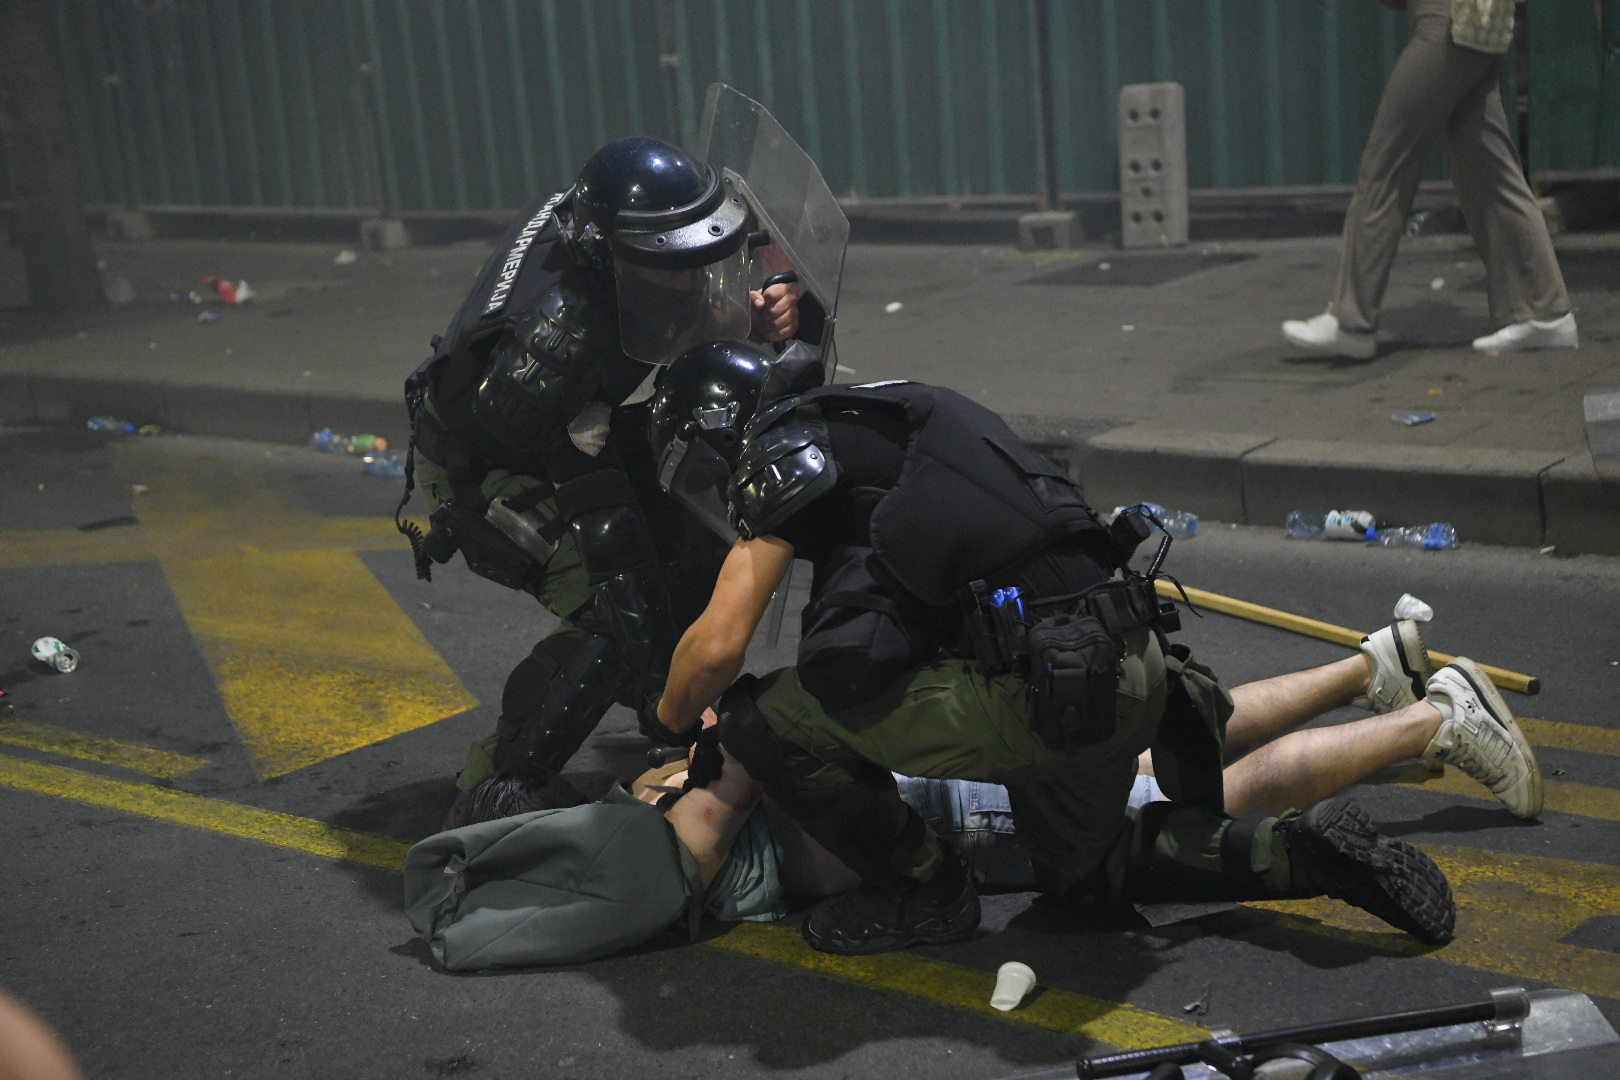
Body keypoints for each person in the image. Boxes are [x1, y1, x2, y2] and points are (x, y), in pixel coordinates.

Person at [642, 341, 1464, 956]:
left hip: (1040, 693)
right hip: (1121, 669)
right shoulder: (896, 419)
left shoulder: (787, 453)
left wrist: (674, 717)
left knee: (765, 719)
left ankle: (927, 894)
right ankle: (1306, 854)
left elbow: (717, 648)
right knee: (1089, 875)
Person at [395, 136, 799, 820]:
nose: (693, 275)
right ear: (619, 262)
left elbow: (678, 304)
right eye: (674, 265)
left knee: (691, 523)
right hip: (488, 463)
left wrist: (752, 316)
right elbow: (600, 519)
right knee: (612, 607)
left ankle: (667, 696)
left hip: (571, 424)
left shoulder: (604, 227)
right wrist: (655, 669)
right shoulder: (557, 345)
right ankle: (500, 789)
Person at [1282, 0, 1575, 359]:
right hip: (1473, 25)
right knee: (1490, 174)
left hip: (1448, 21)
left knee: (1386, 166)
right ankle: (1544, 310)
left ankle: (1351, 320)